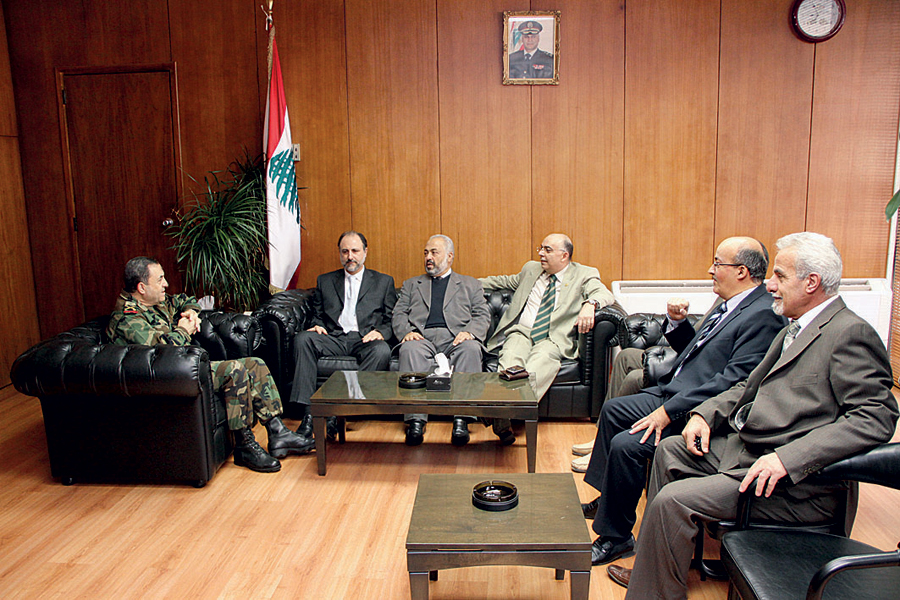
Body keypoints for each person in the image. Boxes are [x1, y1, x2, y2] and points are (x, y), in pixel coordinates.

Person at [609, 232, 899, 598]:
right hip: (749, 452)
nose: (770, 285)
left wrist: (787, 459)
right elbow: (748, 386)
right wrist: (703, 414)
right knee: (670, 449)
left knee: (673, 501)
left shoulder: (850, 333)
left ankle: (653, 592)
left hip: (795, 485)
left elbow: (876, 416)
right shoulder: (796, 327)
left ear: (811, 282)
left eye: (779, 276)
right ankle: (662, 569)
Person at [579, 237, 785, 566]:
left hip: (696, 408)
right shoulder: (729, 302)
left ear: (741, 271)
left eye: (717, 263)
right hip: (675, 391)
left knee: (626, 444)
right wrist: (676, 324)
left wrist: (668, 411)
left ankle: (616, 537)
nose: (710, 269)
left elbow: (732, 382)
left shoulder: (763, 316)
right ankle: (609, 500)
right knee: (614, 409)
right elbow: (698, 353)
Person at [107, 257, 314, 473]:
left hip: (185, 367)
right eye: (160, 280)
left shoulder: (156, 302)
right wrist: (183, 331)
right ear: (141, 288)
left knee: (254, 364)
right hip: (165, 379)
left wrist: (191, 311)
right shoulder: (128, 320)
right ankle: (244, 445)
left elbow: (185, 300)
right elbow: (160, 355)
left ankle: (277, 432)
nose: (166, 284)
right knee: (234, 371)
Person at [480, 233, 615, 438]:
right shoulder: (531, 269)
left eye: (548, 250)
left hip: (552, 339)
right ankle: (503, 415)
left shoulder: (583, 274)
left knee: (538, 365)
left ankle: (500, 413)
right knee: (510, 360)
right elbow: (502, 281)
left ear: (564, 255)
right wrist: (463, 283)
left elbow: (604, 294)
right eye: (541, 248)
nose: (541, 254)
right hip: (522, 332)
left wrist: (590, 304)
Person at [289, 231, 396, 440]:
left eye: (355, 251)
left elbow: (391, 319)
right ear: (339, 253)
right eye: (345, 251)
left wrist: (380, 332)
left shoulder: (383, 282)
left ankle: (340, 411)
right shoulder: (325, 280)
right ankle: (309, 414)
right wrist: (317, 326)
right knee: (303, 339)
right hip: (334, 337)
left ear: (365, 252)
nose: (350, 256)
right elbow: (317, 315)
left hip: (365, 339)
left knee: (382, 351)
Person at [393, 235, 492, 446]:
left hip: (456, 338)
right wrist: (406, 332)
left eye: (434, 252)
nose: (428, 257)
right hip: (422, 337)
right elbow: (398, 314)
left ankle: (461, 419)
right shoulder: (411, 284)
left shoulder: (470, 284)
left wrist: (470, 332)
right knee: (409, 349)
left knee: (471, 349)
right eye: (426, 253)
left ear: (449, 256)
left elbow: (483, 315)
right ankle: (416, 420)